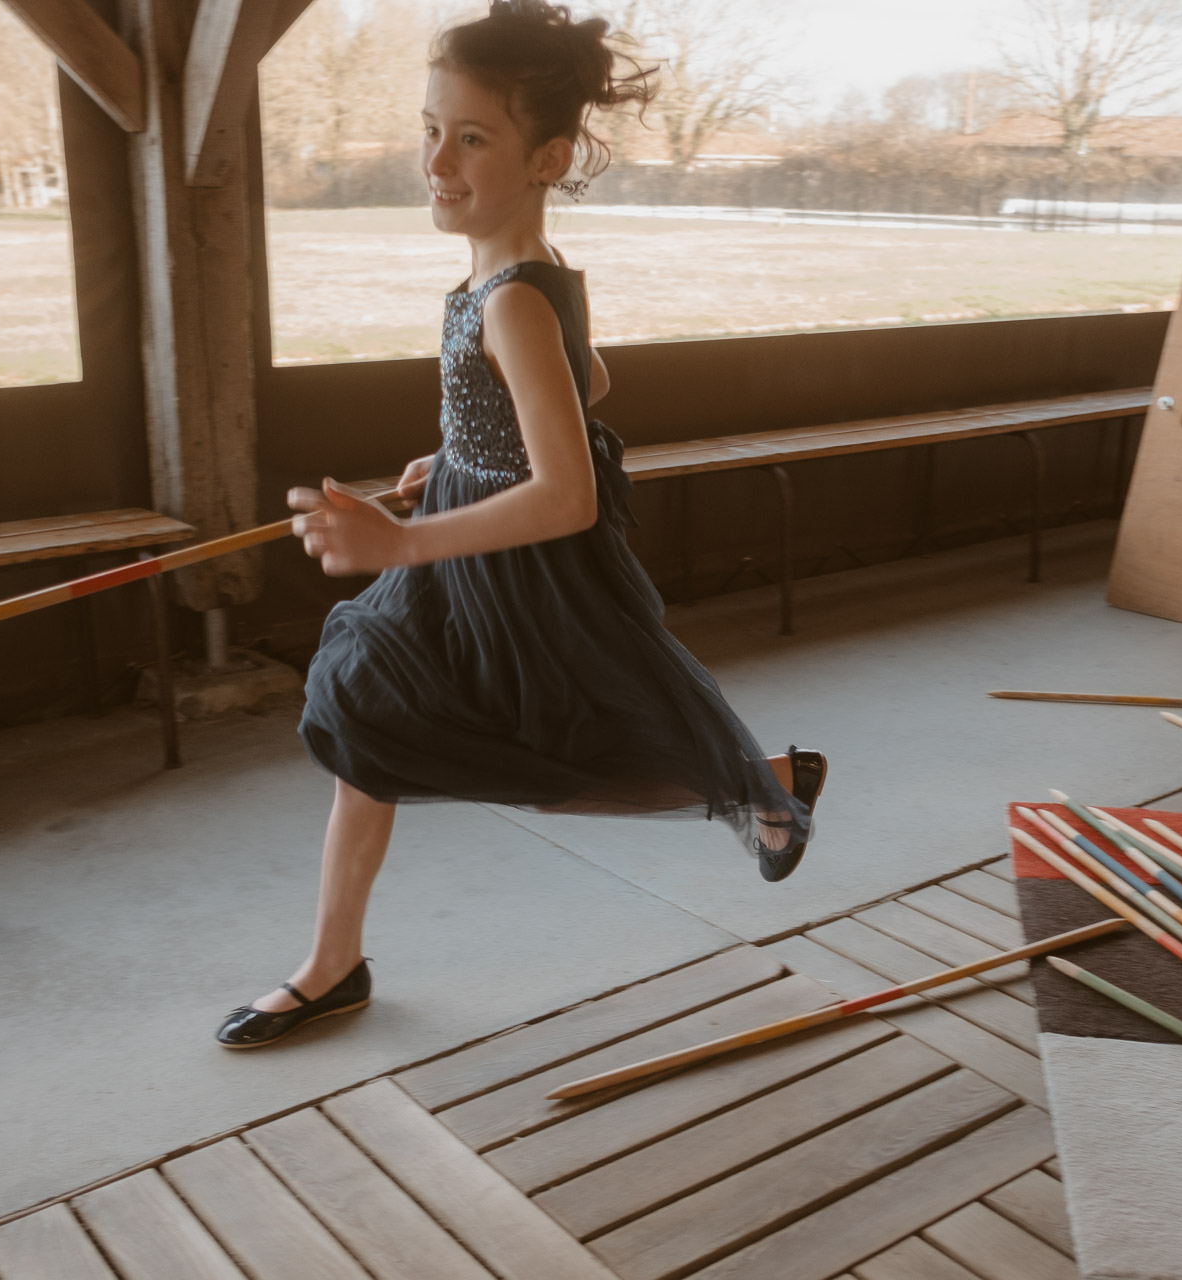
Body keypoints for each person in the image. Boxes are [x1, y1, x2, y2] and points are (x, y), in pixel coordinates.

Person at [216, 0, 827, 1050]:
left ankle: (758, 787)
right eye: (428, 128)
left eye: (470, 137)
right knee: (369, 712)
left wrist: (398, 540)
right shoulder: (512, 279)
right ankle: (333, 962)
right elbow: (586, 375)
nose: (435, 159)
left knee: (547, 757)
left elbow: (567, 495)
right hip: (472, 517)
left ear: (546, 156)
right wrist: (459, 449)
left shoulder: (512, 298)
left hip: (523, 565)